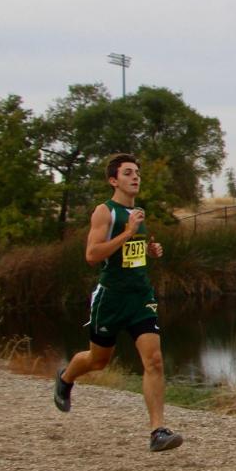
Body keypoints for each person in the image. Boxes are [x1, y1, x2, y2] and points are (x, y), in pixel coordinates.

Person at [52, 154, 183, 452]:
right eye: (128, 173)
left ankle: (157, 431)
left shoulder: (138, 213)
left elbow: (130, 251)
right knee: (98, 360)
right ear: (114, 180)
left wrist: (149, 249)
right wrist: (127, 233)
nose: (135, 177)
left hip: (141, 296)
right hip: (111, 299)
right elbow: (92, 255)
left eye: (137, 172)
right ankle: (66, 376)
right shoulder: (105, 212)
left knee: (154, 361)